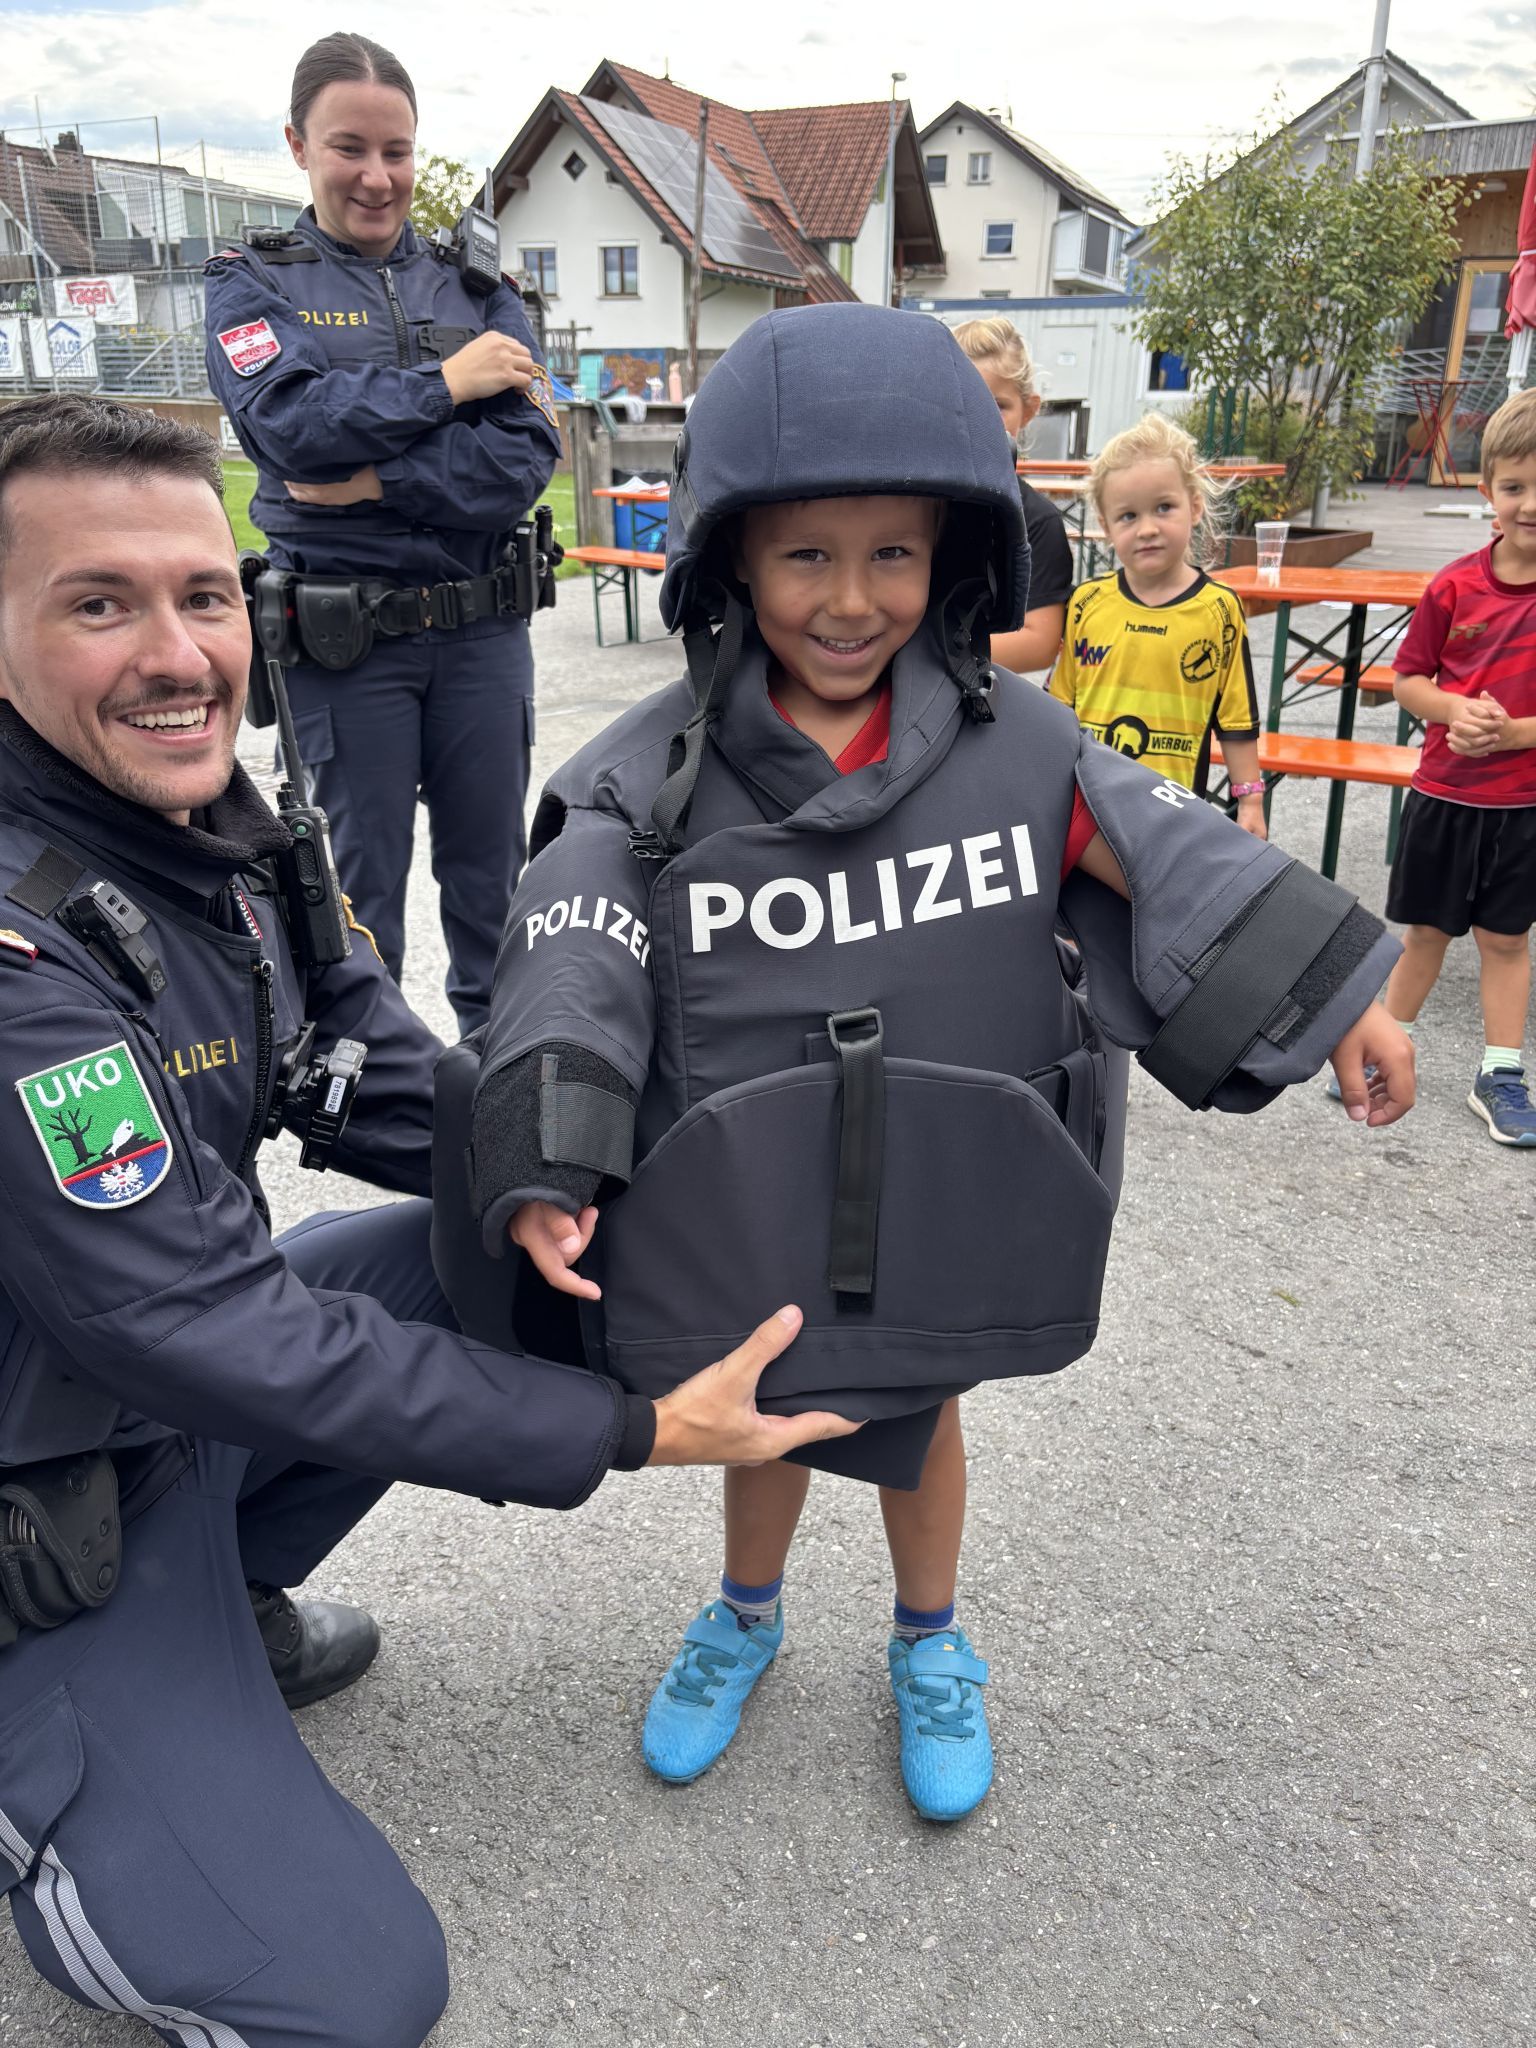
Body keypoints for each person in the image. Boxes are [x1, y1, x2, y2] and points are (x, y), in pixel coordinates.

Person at [460, 304, 1414, 1827]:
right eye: (806, 555)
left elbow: (1172, 856)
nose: (851, 599)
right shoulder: (647, 776)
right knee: (759, 1405)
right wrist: (547, 1153)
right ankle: (745, 1615)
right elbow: (572, 946)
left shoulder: (1023, 747)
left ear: (953, 557)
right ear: (730, 564)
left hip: (938, 1189)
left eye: (893, 554)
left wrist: (1347, 991)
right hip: (750, 1195)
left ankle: (930, 1639)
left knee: (920, 1412)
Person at [0, 396, 856, 2048]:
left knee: (479, 1264)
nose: (178, 654)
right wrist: (624, 1428)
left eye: (202, 594)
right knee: (353, 1998)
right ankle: (64, 1744)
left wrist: (574, 1168)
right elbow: (200, 1326)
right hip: (38, 1504)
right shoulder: (19, 966)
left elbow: (366, 1056)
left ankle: (211, 1610)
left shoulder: (211, 829)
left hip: (139, 1415)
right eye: (98, 603)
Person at [204, 32, 559, 1037]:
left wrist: (371, 478)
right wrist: (449, 385)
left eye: (396, 151)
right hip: (347, 646)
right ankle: (377, 1091)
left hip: (483, 636)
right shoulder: (251, 283)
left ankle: (500, 1086)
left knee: (494, 890)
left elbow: (523, 458)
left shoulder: (479, 288)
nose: (377, 176)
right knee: (357, 903)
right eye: (349, 148)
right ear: (297, 145)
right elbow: (289, 429)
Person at [1365, 385, 1536, 1145]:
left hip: (1522, 805)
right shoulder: (1454, 585)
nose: (1531, 504)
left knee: (1505, 941)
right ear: (1488, 488)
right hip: (1444, 794)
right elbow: (1408, 680)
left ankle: (1501, 1072)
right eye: (1515, 486)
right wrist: (1454, 711)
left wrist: (1512, 733)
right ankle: (1385, 1043)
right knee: (1426, 932)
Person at [1049, 412, 1268, 837]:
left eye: (1164, 508)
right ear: (1106, 525)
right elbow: (1060, 708)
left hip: (1174, 815)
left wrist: (1251, 801)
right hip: (1088, 806)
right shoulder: (1086, 603)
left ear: (1195, 506)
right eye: (1128, 516)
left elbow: (1237, 720)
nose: (1147, 529)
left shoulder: (1220, 609)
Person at [953, 315, 1074, 673]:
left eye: (998, 405)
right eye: (963, 402)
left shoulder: (1037, 520)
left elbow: (1039, 644)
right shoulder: (916, 504)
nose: (980, 418)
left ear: (1029, 410)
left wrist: (936, 653)